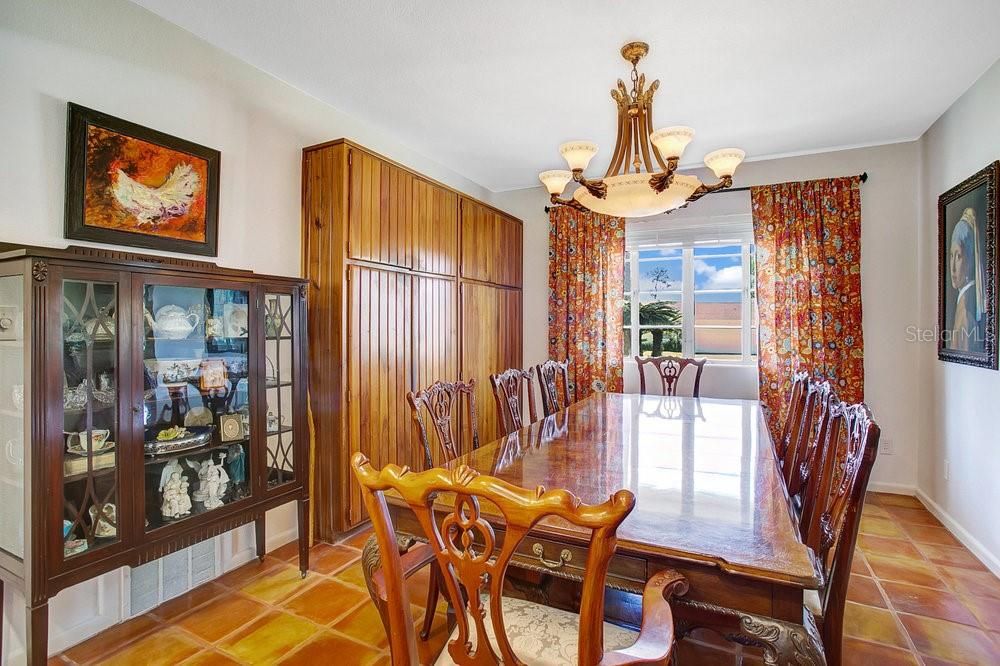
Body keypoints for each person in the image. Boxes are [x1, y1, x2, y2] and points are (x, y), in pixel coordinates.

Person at [949, 207, 985, 352]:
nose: (952, 267)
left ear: (970, 260)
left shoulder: (965, 314)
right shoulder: (962, 304)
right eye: (951, 255)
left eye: (958, 256)